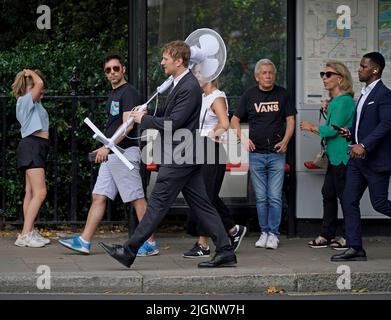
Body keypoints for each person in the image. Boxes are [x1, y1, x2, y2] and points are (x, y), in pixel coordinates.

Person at [99, 40, 237, 268]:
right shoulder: (181, 83)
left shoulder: (189, 86)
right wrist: (148, 110)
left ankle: (129, 250)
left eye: (165, 58)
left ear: (179, 61)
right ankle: (225, 250)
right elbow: (170, 111)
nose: (162, 62)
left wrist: (144, 120)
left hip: (180, 155)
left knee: (157, 203)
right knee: (203, 204)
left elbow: (174, 123)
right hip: (186, 154)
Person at [59, 53, 157, 256]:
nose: (112, 72)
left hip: (123, 152)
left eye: (115, 68)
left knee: (136, 198)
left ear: (123, 69)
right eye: (108, 70)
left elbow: (128, 125)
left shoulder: (128, 92)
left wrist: (108, 147)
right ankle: (84, 241)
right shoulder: (114, 94)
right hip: (113, 152)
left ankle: (150, 243)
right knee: (98, 196)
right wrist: (107, 148)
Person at [331, 52, 391, 262]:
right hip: (358, 161)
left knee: (380, 204)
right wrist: (350, 133)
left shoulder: (384, 95)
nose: (359, 69)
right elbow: (364, 124)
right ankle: (356, 248)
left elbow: (386, 124)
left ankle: (355, 247)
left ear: (375, 70)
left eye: (363, 66)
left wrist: (364, 144)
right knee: (349, 201)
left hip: (375, 161)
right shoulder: (364, 93)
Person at [231, 58, 296, 250]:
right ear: (257, 76)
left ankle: (274, 234)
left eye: (271, 73)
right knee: (261, 197)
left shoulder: (283, 94)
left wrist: (285, 141)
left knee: (274, 196)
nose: (268, 76)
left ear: (274, 75)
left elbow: (290, 120)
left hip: (276, 153)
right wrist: (243, 138)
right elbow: (235, 120)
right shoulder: (249, 95)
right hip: (256, 154)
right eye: (264, 73)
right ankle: (264, 232)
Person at [183, 67, 247, 258]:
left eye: (198, 74)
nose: (195, 77)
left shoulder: (217, 97)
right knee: (205, 194)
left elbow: (224, 123)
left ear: (210, 76)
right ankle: (233, 230)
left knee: (205, 197)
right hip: (202, 150)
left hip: (212, 151)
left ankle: (203, 244)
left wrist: (212, 134)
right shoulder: (203, 96)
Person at [300, 61, 355, 250]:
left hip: (342, 156)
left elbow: (333, 130)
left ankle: (349, 236)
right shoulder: (335, 102)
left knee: (344, 196)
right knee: (328, 193)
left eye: (328, 74)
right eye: (323, 74)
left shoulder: (345, 100)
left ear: (340, 78)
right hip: (333, 156)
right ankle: (327, 233)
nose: (324, 77)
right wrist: (326, 110)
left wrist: (312, 127)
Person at [12, 69, 51, 248]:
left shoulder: (34, 103)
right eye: (34, 87)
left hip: (36, 146)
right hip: (32, 146)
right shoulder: (24, 101)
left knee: (31, 192)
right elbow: (40, 84)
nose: (40, 90)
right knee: (41, 192)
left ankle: (28, 231)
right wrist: (29, 73)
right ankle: (25, 235)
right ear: (27, 88)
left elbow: (40, 86)